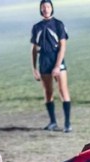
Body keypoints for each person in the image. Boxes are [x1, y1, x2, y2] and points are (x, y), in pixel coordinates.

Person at [31, 0, 72, 132]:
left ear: (51, 8)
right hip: (44, 63)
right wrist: (34, 68)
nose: (45, 9)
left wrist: (57, 65)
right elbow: (33, 49)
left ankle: (67, 124)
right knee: (48, 93)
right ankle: (53, 122)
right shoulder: (36, 27)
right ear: (40, 9)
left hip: (57, 62)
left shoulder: (58, 24)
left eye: (48, 6)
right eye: (43, 7)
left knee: (63, 91)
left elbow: (63, 46)